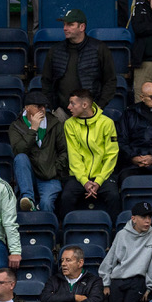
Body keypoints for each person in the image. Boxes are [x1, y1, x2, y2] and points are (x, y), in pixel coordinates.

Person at [41, 10, 116, 112]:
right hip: (61, 113)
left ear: (82, 27)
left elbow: (110, 81)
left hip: (90, 112)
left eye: (70, 25)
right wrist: (54, 107)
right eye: (64, 24)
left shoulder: (99, 48)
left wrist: (98, 106)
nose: (65, 28)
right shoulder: (55, 50)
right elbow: (46, 81)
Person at [60, 90, 119, 219]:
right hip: (79, 176)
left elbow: (111, 155)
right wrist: (85, 181)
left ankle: (113, 234)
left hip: (103, 175)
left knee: (114, 196)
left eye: (72, 104)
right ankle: (69, 232)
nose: (68, 107)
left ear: (85, 105)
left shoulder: (106, 123)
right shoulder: (70, 124)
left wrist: (98, 181)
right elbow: (73, 155)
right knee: (66, 197)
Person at [99, 202, 152, 302]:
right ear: (134, 219)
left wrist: (149, 288)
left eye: (149, 217)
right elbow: (110, 260)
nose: (147, 221)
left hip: (138, 280)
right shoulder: (122, 234)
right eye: (143, 217)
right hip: (117, 279)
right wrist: (106, 284)